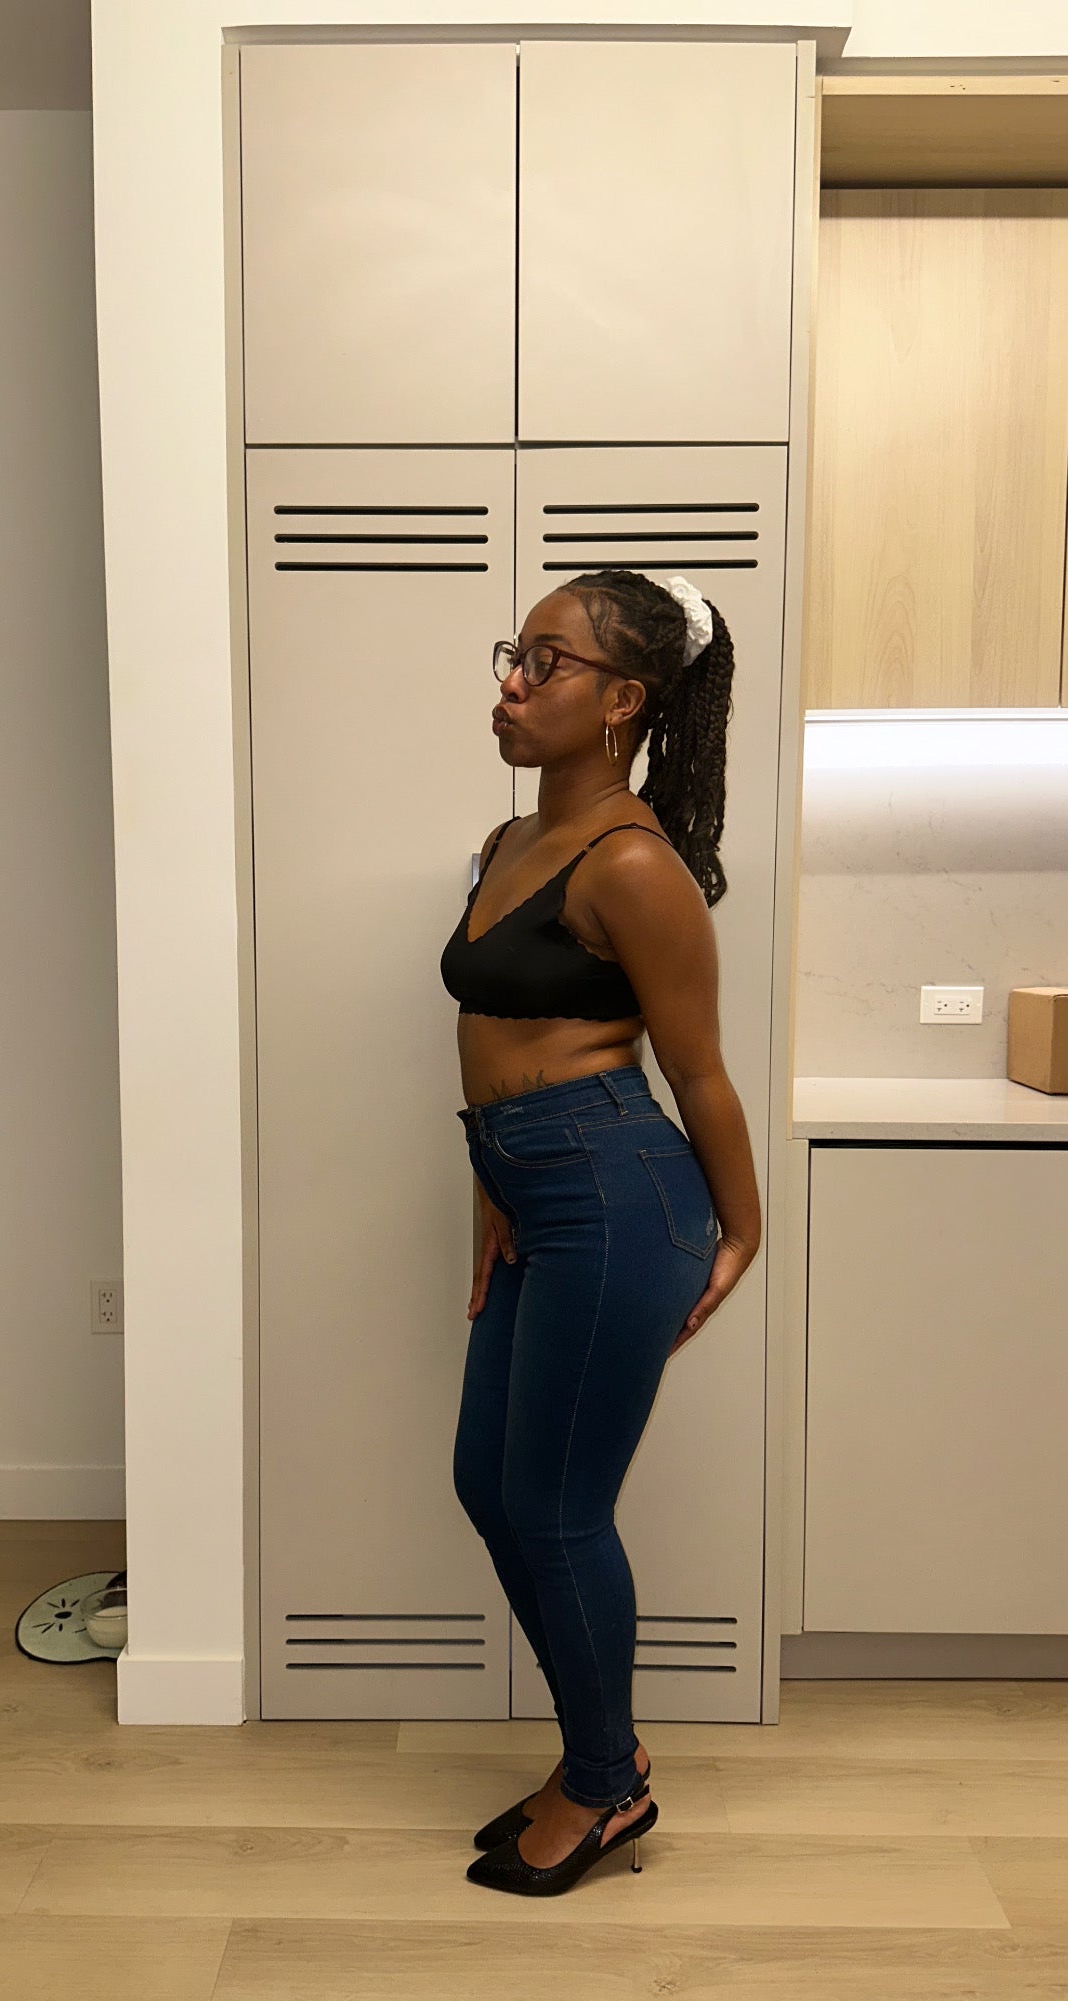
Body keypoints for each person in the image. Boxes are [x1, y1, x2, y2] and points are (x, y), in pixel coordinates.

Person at [439, 567, 762, 1897]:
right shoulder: (510, 841)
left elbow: (700, 1072)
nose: (512, 685)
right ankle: (598, 1757)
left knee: (556, 1507)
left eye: (547, 663)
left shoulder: (633, 865)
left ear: (624, 700)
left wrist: (743, 1230)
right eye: (512, 656)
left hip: (616, 1192)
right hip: (534, 1192)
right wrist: (491, 1196)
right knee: (490, 1483)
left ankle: (604, 1782)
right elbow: (489, 1035)